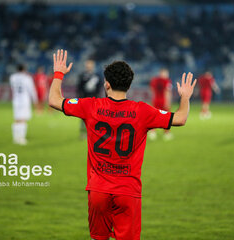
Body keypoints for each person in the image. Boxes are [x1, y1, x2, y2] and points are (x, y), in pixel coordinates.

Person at [49, 49, 197, 240]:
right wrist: (185, 96)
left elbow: (54, 100)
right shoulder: (142, 111)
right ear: (129, 85)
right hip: (128, 190)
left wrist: (59, 73)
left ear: (107, 84)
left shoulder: (90, 106)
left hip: (98, 190)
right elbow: (181, 118)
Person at [10, 64, 38, 145]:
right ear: (24, 69)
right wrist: (35, 100)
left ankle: (15, 138)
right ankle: (21, 138)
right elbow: (32, 90)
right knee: (23, 119)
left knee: (16, 119)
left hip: (16, 100)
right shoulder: (27, 78)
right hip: (24, 100)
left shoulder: (12, 77)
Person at [77, 59, 102, 139]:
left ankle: (92, 133)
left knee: (94, 117)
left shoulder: (97, 76)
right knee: (83, 117)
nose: (89, 66)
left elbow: (99, 88)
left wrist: (98, 99)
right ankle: (83, 133)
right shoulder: (82, 75)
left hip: (94, 100)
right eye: (88, 65)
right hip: (84, 99)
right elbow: (79, 88)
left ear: (93, 66)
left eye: (90, 65)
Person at [149, 68, 173, 140]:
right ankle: (166, 133)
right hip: (163, 101)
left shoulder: (154, 80)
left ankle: (152, 132)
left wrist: (153, 100)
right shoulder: (167, 81)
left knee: (154, 117)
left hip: (155, 100)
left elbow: (151, 90)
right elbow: (167, 92)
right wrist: (168, 102)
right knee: (166, 118)